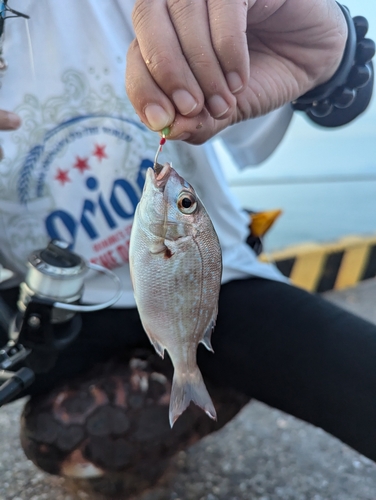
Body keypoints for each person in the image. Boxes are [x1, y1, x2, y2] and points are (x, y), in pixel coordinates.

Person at [0, 0, 375, 482]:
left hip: (219, 289)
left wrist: (337, 53)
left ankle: (209, 374)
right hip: (55, 310)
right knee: (60, 438)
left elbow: (312, 87)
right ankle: (191, 381)